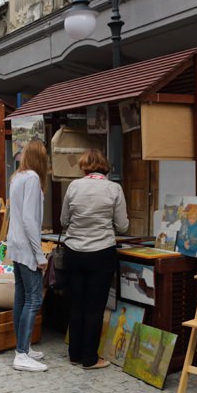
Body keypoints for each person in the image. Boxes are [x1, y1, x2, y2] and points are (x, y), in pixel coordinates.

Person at [61, 149, 128, 370]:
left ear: (84, 166)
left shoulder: (73, 187)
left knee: (77, 304)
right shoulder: (114, 189)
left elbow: (64, 220)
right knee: (95, 307)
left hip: (74, 251)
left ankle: (74, 354)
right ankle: (90, 358)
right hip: (101, 252)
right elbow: (123, 226)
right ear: (104, 166)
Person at [6, 139, 49, 372]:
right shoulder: (32, 178)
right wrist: (40, 255)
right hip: (26, 247)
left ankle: (22, 347)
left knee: (21, 297)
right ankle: (22, 353)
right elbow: (30, 221)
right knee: (34, 299)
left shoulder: (17, 177)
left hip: (16, 244)